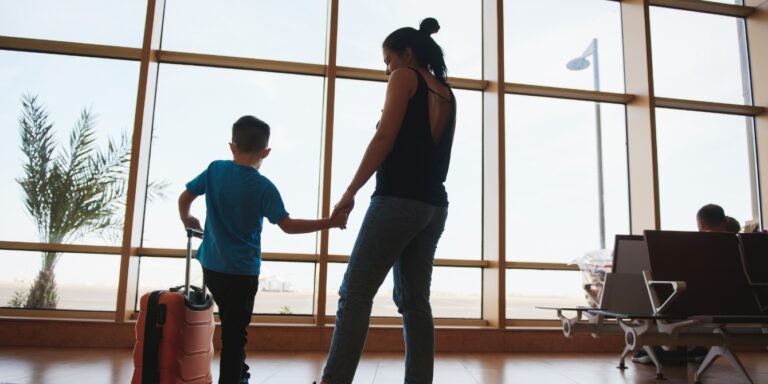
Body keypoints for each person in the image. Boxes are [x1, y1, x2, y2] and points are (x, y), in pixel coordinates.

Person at [317, 17, 456, 384]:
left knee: (355, 292)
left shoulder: (405, 77)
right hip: (434, 206)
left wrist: (349, 193)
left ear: (407, 54)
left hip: (398, 199)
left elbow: (385, 140)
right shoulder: (445, 90)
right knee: (414, 303)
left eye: (387, 61)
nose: (387, 70)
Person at [178, 115, 347, 384]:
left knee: (230, 327)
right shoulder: (264, 188)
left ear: (232, 146)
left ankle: (239, 373)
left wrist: (188, 219)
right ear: (266, 152)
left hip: (211, 267)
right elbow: (288, 226)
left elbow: (185, 197)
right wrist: (330, 222)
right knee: (235, 334)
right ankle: (232, 379)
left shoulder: (214, 170)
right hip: (242, 273)